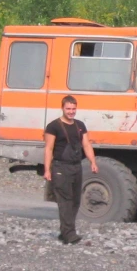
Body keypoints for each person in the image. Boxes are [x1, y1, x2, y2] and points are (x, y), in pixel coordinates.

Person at [44, 95, 98, 245]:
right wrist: (47, 169)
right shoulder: (53, 126)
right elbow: (48, 148)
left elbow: (86, 145)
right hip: (60, 166)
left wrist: (92, 161)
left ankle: (65, 232)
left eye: (73, 109)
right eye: (68, 109)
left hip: (76, 166)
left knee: (75, 201)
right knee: (65, 200)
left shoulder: (80, 125)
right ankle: (70, 234)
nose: (71, 111)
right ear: (62, 108)